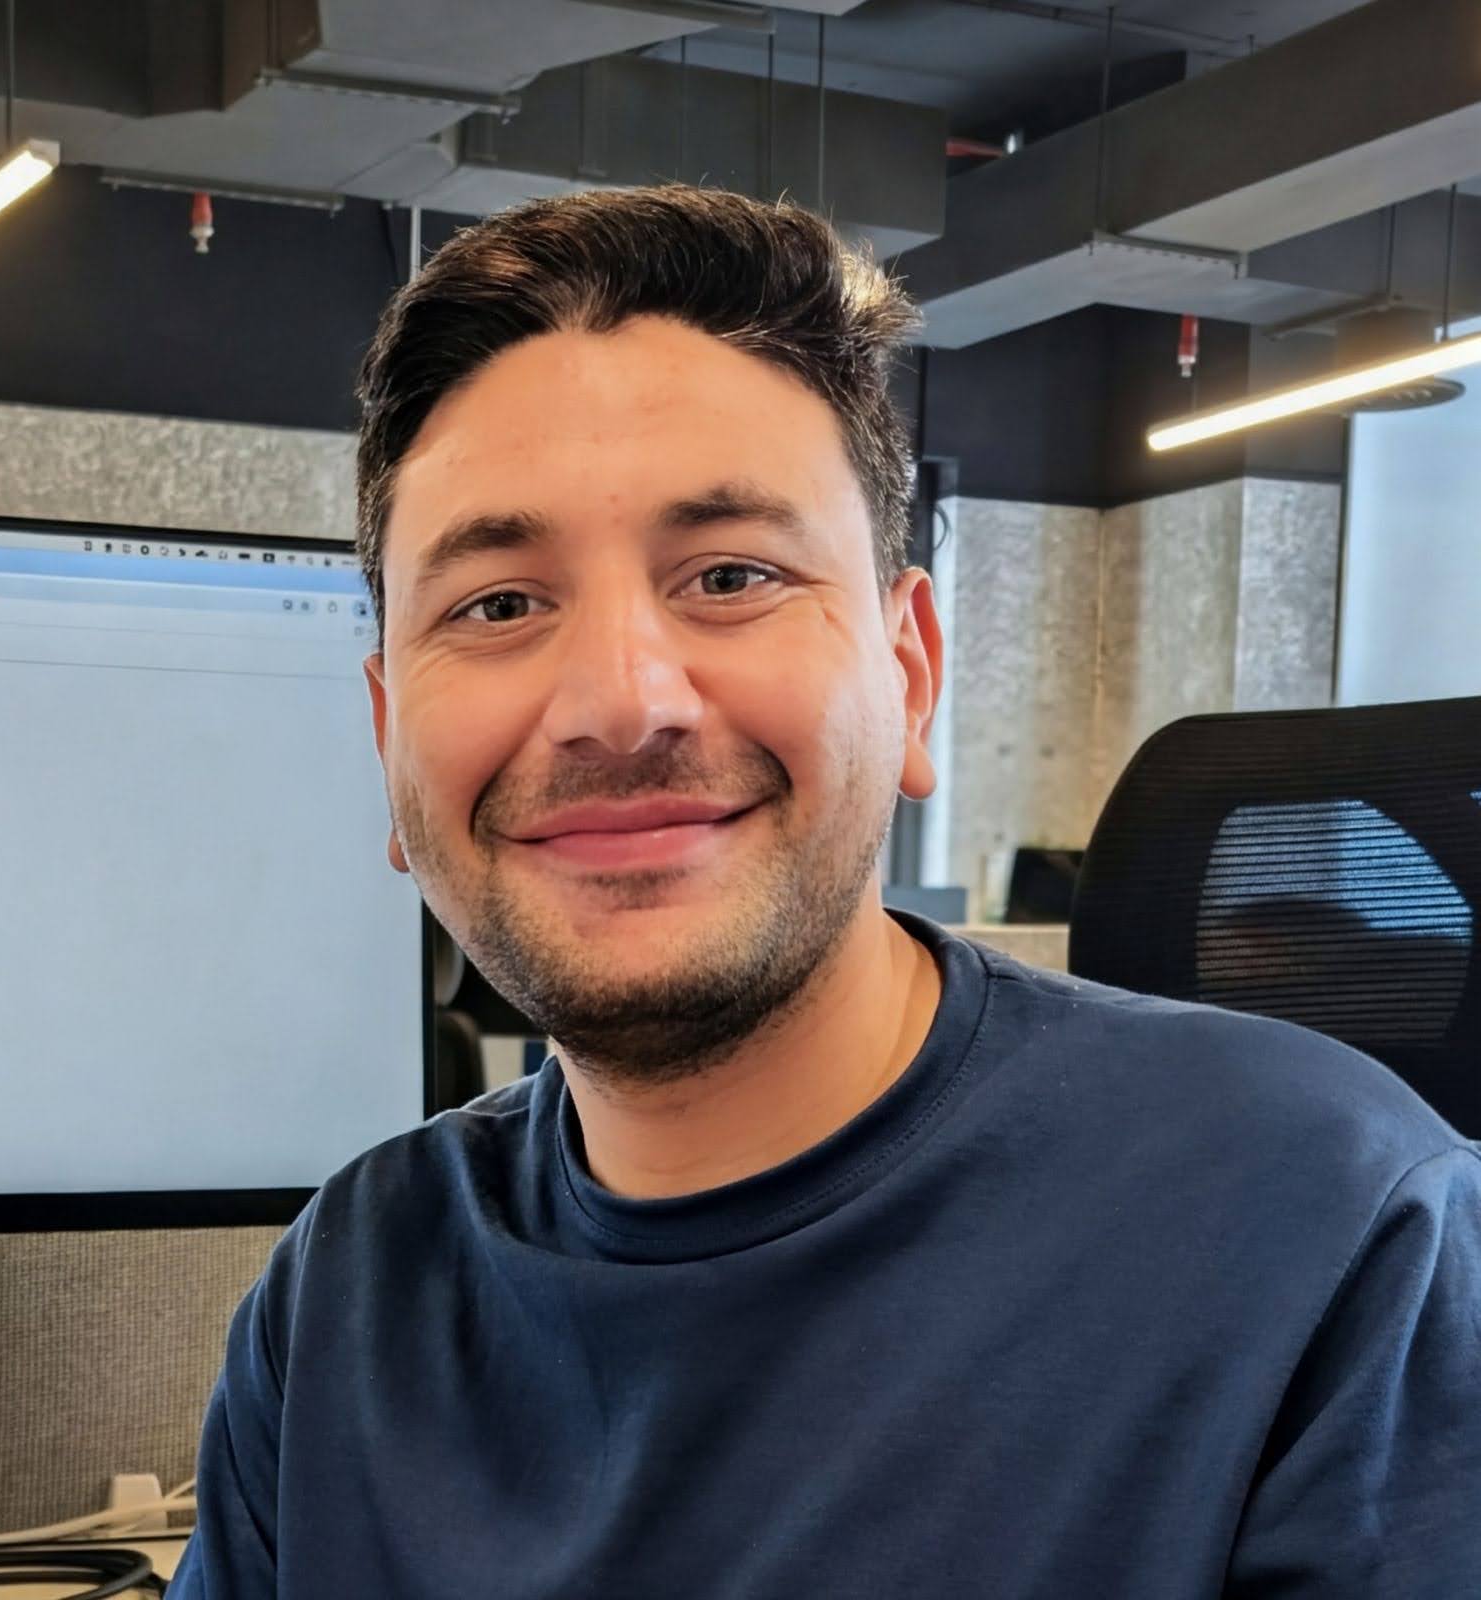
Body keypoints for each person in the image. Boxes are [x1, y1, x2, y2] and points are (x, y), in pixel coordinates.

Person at [168, 186, 1481, 1598]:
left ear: (909, 676)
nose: (619, 703)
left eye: (731, 575)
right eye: (497, 604)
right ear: (387, 740)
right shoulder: (348, 1295)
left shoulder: (1328, 1233)